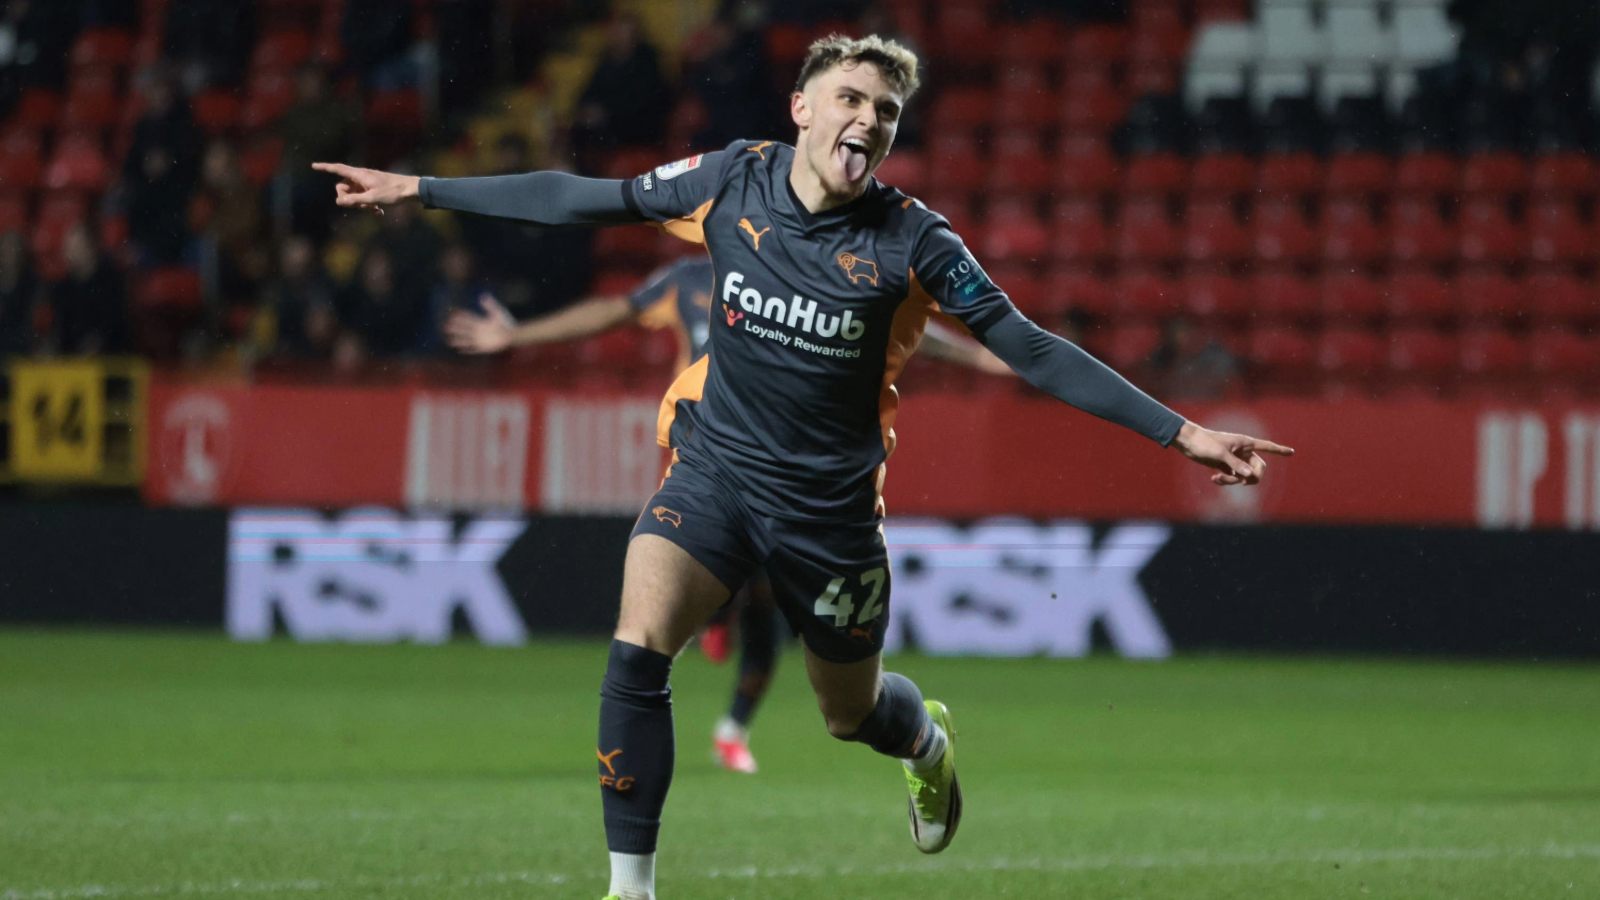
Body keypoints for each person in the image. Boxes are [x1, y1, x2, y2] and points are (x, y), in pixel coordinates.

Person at [314, 33, 1293, 900]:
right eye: (851, 99)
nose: (866, 120)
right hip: (714, 473)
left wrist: (1183, 433)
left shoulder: (917, 242)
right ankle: (630, 888)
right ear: (804, 109)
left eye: (886, 111)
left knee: (848, 715)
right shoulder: (732, 179)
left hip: (828, 520)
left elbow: (1031, 346)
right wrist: (420, 187)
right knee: (637, 642)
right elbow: (590, 201)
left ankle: (925, 744)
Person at [445, 253, 1009, 775]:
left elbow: (902, 323)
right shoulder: (685, 279)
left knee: (770, 615)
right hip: (703, 466)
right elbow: (613, 310)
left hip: (784, 475)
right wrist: (518, 334)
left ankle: (732, 716)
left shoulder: (803, 275)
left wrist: (981, 354)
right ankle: (721, 617)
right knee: (691, 610)